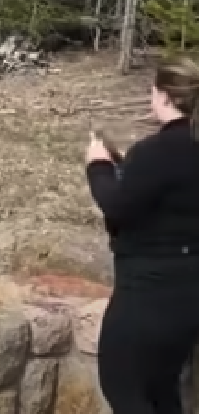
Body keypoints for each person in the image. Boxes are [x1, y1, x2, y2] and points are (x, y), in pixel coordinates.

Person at [85, 57, 199, 414]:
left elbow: (117, 207)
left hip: (147, 291)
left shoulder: (155, 152)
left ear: (164, 97)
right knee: (164, 391)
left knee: (123, 388)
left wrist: (99, 164)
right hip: (190, 291)